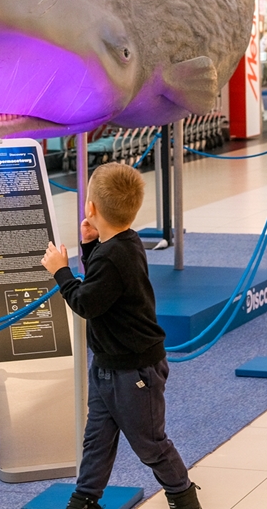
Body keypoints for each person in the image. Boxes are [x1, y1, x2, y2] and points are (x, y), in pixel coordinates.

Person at [41, 163, 201, 509]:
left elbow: (86, 302)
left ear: (91, 207)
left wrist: (61, 271)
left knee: (151, 445)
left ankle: (184, 497)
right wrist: (89, 246)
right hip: (107, 364)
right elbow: (103, 286)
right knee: (97, 439)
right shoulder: (121, 243)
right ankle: (84, 500)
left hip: (134, 370)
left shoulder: (115, 254)